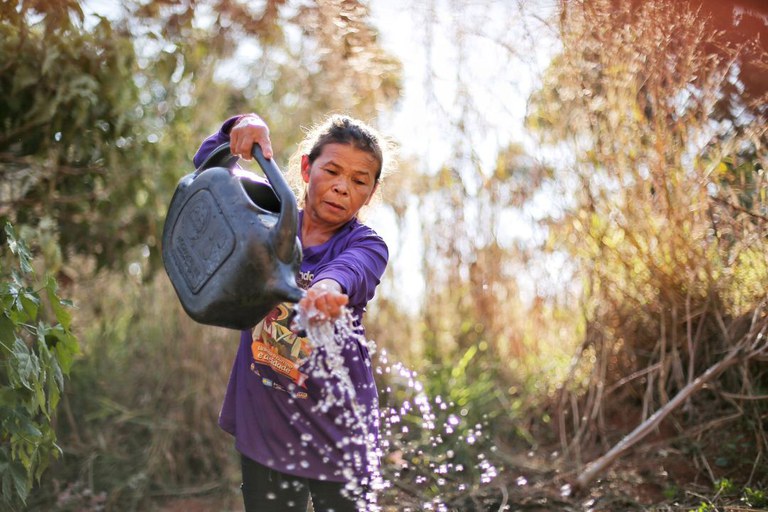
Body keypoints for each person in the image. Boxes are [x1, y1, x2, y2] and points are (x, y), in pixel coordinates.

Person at [193, 112, 393, 512]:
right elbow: (209, 175)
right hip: (266, 428)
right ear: (306, 167)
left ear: (370, 194)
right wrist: (241, 127)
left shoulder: (367, 244)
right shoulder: (267, 217)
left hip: (339, 435)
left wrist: (326, 289)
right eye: (332, 170)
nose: (342, 187)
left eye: (359, 181)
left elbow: (351, 272)